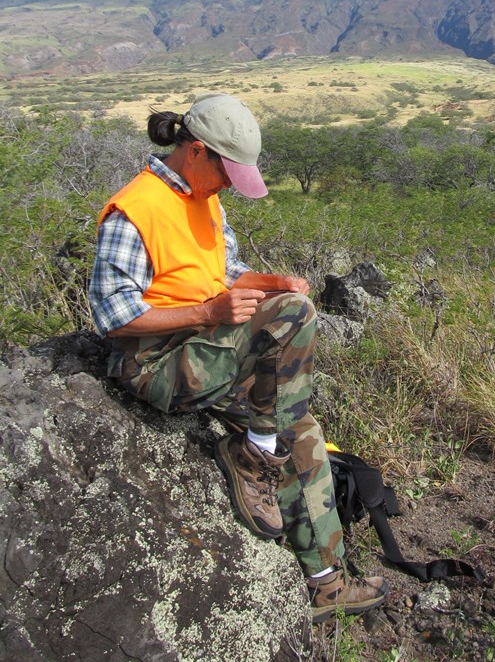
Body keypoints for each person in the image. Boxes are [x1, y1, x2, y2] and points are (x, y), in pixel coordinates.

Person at [89, 92, 388, 623]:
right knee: (291, 319)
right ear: (196, 151)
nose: (229, 184)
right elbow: (114, 317)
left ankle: (326, 583)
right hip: (156, 366)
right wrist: (208, 313)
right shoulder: (135, 210)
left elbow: (226, 275)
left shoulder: (204, 198)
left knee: (303, 432)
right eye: (226, 172)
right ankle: (253, 454)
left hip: (206, 355)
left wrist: (275, 283)